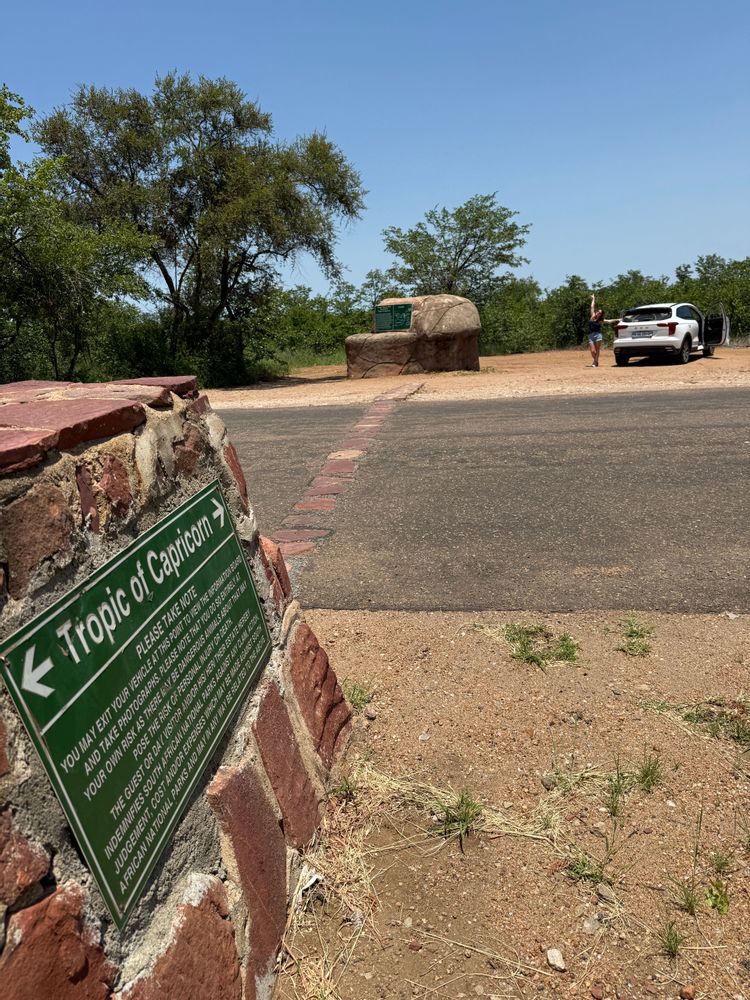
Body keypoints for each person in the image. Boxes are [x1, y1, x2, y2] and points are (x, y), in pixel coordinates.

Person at [588, 294, 618, 367]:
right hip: (590, 335)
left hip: (598, 335)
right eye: (598, 311)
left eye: (600, 312)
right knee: (592, 351)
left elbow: (609, 321)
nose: (598, 312)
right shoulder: (592, 316)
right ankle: (596, 361)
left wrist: (617, 319)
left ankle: (595, 362)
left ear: (601, 315)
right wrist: (593, 298)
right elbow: (592, 306)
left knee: (597, 349)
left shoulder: (600, 320)